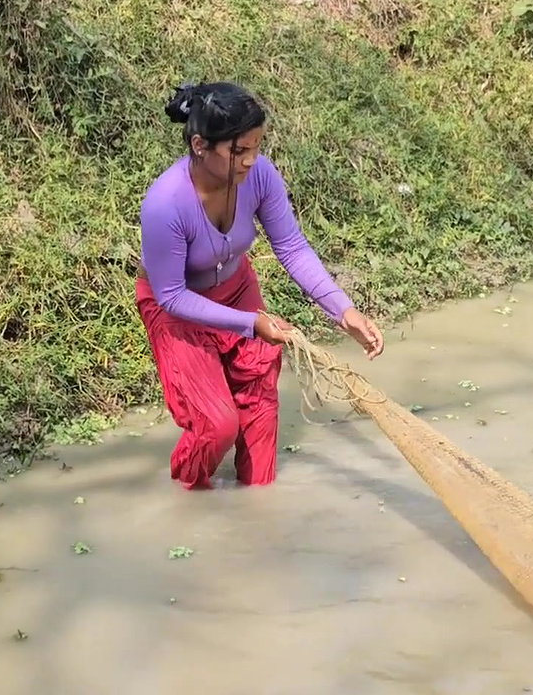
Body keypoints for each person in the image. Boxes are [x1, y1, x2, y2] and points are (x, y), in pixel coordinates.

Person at [135, 81, 384, 490]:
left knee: (260, 409)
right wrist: (252, 324)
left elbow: (292, 247)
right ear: (200, 145)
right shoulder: (165, 205)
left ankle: (257, 505)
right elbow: (172, 296)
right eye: (238, 151)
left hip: (236, 288)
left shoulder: (261, 176)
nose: (250, 161)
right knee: (216, 425)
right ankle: (189, 492)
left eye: (256, 147)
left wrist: (344, 311)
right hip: (177, 309)